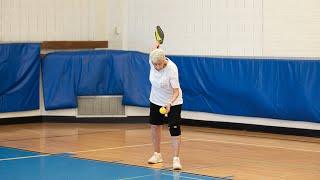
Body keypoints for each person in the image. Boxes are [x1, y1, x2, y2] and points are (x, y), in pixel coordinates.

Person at [147, 45, 183, 170]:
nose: (157, 67)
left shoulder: (172, 69)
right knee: (155, 125)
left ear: (164, 61)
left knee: (174, 128)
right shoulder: (152, 60)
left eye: (159, 64)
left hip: (173, 101)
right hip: (156, 99)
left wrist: (169, 103)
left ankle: (176, 159)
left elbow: (176, 91)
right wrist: (155, 46)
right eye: (155, 64)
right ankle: (157, 155)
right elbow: (153, 50)